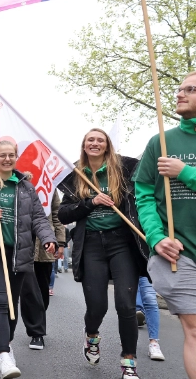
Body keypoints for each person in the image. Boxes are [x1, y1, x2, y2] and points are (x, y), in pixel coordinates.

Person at [58, 128, 148, 379]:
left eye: (100, 140)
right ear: (84, 145)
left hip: (122, 244)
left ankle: (129, 362)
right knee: (97, 306)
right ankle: (91, 336)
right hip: (92, 245)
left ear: (107, 145)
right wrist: (91, 203)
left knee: (126, 305)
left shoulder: (123, 170)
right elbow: (64, 214)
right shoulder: (76, 174)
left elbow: (144, 192)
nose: (95, 143)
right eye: (90, 140)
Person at [0, 140, 57, 379]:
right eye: (2, 155)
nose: (7, 159)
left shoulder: (25, 186)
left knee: (12, 305)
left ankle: (7, 342)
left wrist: (48, 238)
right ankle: (4, 355)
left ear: (16, 158)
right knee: (1, 302)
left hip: (19, 253)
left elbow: (38, 218)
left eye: (11, 155)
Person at [133, 72, 196, 378]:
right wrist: (156, 238)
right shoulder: (160, 141)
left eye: (190, 89)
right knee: (195, 330)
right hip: (178, 254)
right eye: (179, 89)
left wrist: (186, 173)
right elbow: (142, 195)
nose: (180, 94)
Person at [19, 189, 66, 350]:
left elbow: (57, 215)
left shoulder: (49, 184)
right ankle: (36, 332)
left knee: (42, 291)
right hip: (23, 245)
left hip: (46, 245)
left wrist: (60, 241)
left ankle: (37, 318)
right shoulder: (16, 183)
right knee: (28, 291)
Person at [136, 277, 165, 361]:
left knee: (150, 299)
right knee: (128, 298)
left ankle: (154, 343)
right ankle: (128, 340)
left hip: (146, 268)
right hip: (127, 267)